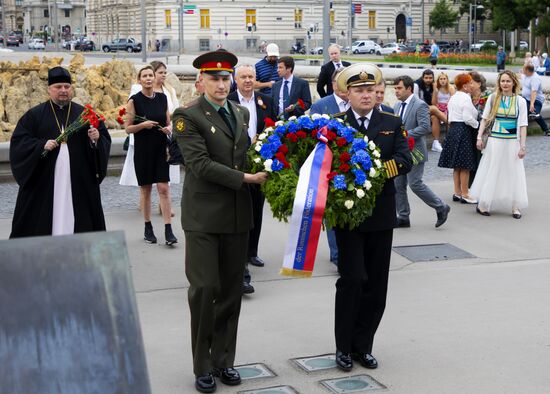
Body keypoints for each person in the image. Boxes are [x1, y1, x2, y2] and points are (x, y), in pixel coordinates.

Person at [172, 51, 268, 393]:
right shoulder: (187, 116)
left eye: (226, 78)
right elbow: (199, 165)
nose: (222, 84)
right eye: (214, 79)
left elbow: (245, 153)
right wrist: (247, 178)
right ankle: (202, 366)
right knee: (204, 290)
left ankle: (224, 360)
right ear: (201, 82)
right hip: (203, 218)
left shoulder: (241, 112)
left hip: (237, 216)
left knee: (230, 293)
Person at [332, 63, 412, 372]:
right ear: (347, 94)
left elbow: (407, 158)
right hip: (348, 217)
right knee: (351, 280)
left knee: (376, 285)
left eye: (370, 90)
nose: (366, 95)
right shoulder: (335, 123)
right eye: (359, 90)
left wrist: (373, 172)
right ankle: (342, 347)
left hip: (380, 214)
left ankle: (363, 346)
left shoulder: (392, 121)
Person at [10, 66, 111, 238]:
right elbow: (20, 142)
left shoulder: (85, 114)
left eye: (67, 86)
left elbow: (103, 140)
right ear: (49, 89)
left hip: (79, 180)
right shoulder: (34, 115)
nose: (63, 90)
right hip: (45, 181)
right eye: (58, 87)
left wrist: (95, 139)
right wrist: (40, 145)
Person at [228, 64, 276, 294]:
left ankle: (252, 252)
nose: (248, 80)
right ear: (235, 80)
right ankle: (239, 258)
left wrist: (265, 139)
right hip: (235, 163)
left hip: (259, 162)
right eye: (244, 77)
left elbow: (275, 128)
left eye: (251, 77)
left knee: (257, 208)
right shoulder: (227, 100)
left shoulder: (265, 100)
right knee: (240, 211)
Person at [124, 66, 177, 245]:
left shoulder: (162, 98)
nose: (148, 78)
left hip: (161, 149)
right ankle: (148, 227)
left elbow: (168, 122)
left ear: (154, 78)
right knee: (145, 190)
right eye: (144, 76)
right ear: (139, 80)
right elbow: (127, 128)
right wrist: (143, 125)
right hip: (143, 150)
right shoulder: (134, 100)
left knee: (164, 188)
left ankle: (168, 229)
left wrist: (168, 128)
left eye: (150, 75)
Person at [394, 75, 450, 228]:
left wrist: (405, 135)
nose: (396, 91)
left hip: (415, 152)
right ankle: (403, 216)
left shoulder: (420, 105)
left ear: (409, 88)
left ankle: (441, 207)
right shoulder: (397, 106)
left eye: (399, 88)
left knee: (415, 183)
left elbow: (425, 127)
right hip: (400, 152)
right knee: (398, 184)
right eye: (395, 88)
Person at [471, 70, 528, 219]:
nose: (505, 84)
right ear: (499, 83)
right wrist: (479, 137)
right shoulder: (493, 98)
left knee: (513, 171)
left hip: (512, 141)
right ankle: (484, 204)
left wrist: (522, 146)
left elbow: (523, 125)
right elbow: (484, 119)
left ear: (514, 82)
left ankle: (515, 206)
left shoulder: (520, 101)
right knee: (492, 169)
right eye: (503, 81)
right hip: (495, 140)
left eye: (508, 81)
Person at [310, 68, 350, 265]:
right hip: (328, 166)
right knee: (332, 213)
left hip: (352, 167)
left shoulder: (357, 104)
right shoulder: (321, 106)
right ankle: (337, 256)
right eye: (340, 82)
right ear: (333, 84)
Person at [437, 73, 479, 203]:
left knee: (457, 165)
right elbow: (467, 118)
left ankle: (457, 192)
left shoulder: (453, 97)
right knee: (465, 165)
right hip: (463, 130)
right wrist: (477, 124)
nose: (472, 85)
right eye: (470, 83)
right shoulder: (465, 98)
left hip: (453, 130)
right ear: (465, 86)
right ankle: (465, 194)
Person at [429, 72, 455, 152]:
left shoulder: (451, 88)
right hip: (438, 109)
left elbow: (453, 101)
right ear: (438, 80)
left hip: (448, 108)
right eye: (441, 79)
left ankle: (450, 141)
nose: (443, 81)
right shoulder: (436, 88)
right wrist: (435, 91)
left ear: (447, 80)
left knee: (449, 117)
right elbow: (433, 103)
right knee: (434, 117)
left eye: (444, 79)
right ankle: (436, 143)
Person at [521, 64, 550, 136]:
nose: (522, 70)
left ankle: (547, 130)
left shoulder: (535, 78)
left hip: (537, 101)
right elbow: (518, 75)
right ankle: (522, 131)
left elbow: (534, 92)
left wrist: (532, 104)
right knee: (523, 112)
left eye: (523, 69)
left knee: (535, 114)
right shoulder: (525, 75)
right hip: (526, 99)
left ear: (527, 70)